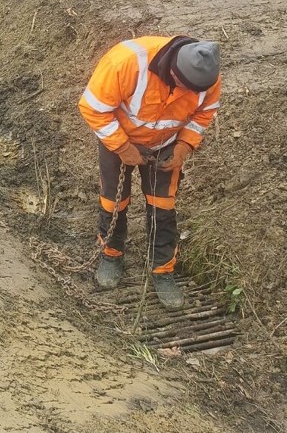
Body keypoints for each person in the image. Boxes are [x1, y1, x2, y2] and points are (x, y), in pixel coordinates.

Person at [78, 35, 221, 310]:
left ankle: (162, 270)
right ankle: (111, 255)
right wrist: (122, 147)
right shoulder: (126, 63)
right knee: (113, 200)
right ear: (172, 70)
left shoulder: (207, 76)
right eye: (182, 87)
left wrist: (184, 145)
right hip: (118, 137)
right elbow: (92, 108)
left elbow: (205, 113)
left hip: (167, 143)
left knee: (163, 206)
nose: (187, 94)